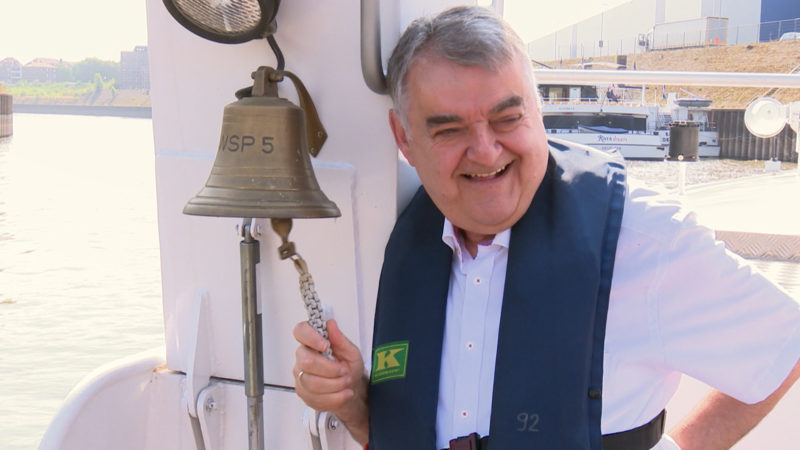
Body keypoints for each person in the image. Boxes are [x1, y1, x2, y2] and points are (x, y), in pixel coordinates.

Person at [292, 6, 800, 449]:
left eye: (507, 118)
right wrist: (356, 404)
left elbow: (785, 344)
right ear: (404, 139)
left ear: (538, 112)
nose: (486, 151)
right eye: (449, 129)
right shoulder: (408, 235)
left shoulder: (644, 238)